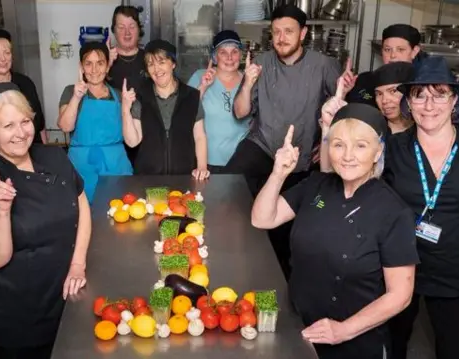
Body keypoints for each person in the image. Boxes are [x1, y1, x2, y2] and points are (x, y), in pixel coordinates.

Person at [252, 104, 418, 359]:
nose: (348, 155)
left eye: (360, 146)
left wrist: (344, 330)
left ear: (378, 152)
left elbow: (401, 295)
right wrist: (278, 174)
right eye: (339, 145)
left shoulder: (394, 213)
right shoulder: (316, 185)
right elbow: (263, 219)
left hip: (354, 341)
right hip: (298, 325)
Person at [0, 83, 90, 359]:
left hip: (65, 296)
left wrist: (78, 264)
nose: (21, 133)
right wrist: (2, 211)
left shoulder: (54, 156)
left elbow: (81, 204)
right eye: (8, 126)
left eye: (25, 121)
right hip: (16, 314)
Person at [228, 4, 350, 278]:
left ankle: (281, 280)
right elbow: (240, 112)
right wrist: (247, 83)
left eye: (288, 32)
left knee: (288, 231)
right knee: (230, 184)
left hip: (302, 153)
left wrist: (330, 143)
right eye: (276, 32)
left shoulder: (323, 65)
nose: (281, 38)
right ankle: (233, 256)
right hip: (263, 145)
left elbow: (343, 109)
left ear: (303, 33)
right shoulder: (261, 62)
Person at [382, 56, 459, 359]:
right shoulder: (393, 148)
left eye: (440, 94)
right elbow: (355, 188)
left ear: (454, 101)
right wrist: (329, 127)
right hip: (399, 270)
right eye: (420, 94)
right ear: (408, 103)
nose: (429, 104)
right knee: (389, 347)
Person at [121, 39, 209, 179]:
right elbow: (132, 142)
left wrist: (202, 167)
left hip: (184, 179)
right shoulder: (140, 97)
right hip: (147, 180)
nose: (156, 70)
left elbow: (199, 136)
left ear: (173, 64)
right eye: (151, 64)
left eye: (161, 62)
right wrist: (125, 109)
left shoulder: (192, 96)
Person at [57, 42, 132, 202]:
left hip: (116, 168)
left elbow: (131, 137)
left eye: (100, 63)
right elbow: (65, 126)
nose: (94, 70)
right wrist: (77, 97)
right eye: (88, 64)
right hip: (80, 170)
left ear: (107, 66)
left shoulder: (119, 96)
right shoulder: (71, 91)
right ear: (81, 67)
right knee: (83, 219)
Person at [187, 30, 250, 173]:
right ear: (214, 57)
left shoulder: (250, 81)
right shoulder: (199, 77)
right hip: (206, 163)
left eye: (234, 52)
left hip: (243, 162)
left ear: (241, 55)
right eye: (223, 52)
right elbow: (185, 114)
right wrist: (203, 87)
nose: (229, 57)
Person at [107, 5, 147, 166]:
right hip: (112, 138)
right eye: (121, 27)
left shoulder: (149, 59)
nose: (127, 32)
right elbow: (88, 91)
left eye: (132, 26)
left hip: (146, 138)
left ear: (139, 29)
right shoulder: (103, 61)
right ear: (114, 30)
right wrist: (106, 64)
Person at [346, 24, 422, 107]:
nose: (393, 55)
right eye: (387, 49)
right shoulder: (364, 80)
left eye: (400, 49)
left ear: (414, 51)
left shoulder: (422, 86)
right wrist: (343, 92)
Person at [371, 62, 415, 134]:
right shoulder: (371, 133)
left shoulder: (426, 132)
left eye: (393, 91)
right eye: (379, 94)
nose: (384, 100)